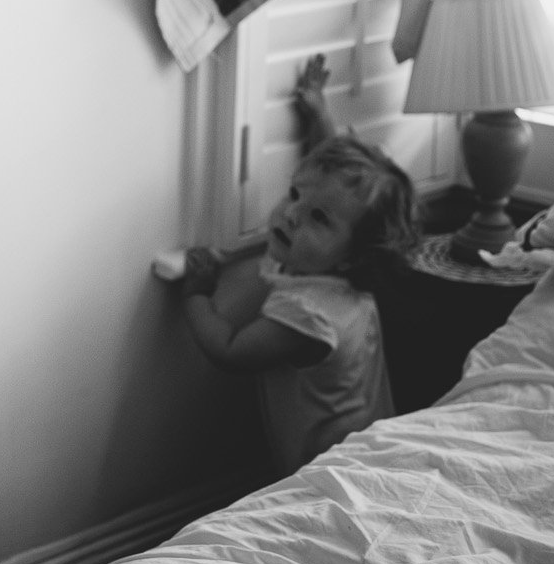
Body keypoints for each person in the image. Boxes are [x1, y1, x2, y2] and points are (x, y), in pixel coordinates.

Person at [178, 57, 419, 474]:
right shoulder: (340, 276)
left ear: (356, 253)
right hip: (371, 451)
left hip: (330, 473)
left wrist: (197, 294)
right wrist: (319, 115)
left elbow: (231, 351)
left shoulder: (307, 313)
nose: (292, 214)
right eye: (293, 194)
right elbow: (326, 191)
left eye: (318, 219)